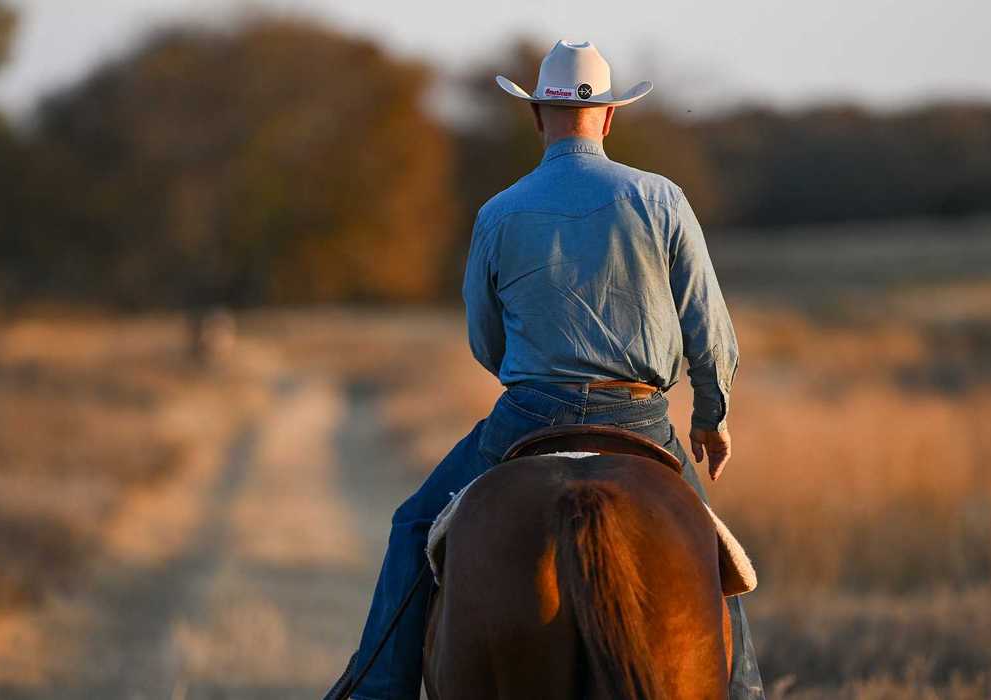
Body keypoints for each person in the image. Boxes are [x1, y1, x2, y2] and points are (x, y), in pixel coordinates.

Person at [328, 40, 765, 699]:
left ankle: (374, 689)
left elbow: (485, 339)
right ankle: (748, 690)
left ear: (537, 115)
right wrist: (711, 417)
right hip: (640, 416)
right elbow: (710, 329)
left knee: (415, 523)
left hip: (527, 415)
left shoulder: (498, 212)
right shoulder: (661, 199)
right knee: (705, 552)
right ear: (610, 117)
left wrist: (531, 370)